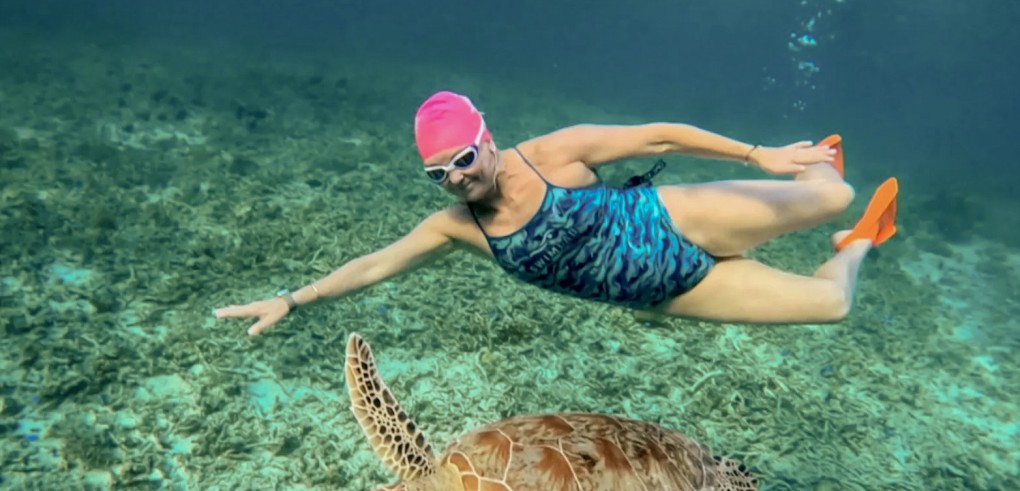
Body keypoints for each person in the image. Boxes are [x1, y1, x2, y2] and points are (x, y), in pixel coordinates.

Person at [215, 90, 898, 336]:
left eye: (461, 159)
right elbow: (375, 267)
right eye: (437, 173)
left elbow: (656, 136)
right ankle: (857, 242)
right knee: (831, 305)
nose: (454, 179)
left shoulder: (551, 155)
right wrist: (292, 299)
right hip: (671, 292)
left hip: (677, 221)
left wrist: (760, 155)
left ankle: (819, 182)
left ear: (485, 136)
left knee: (831, 189)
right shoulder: (458, 228)